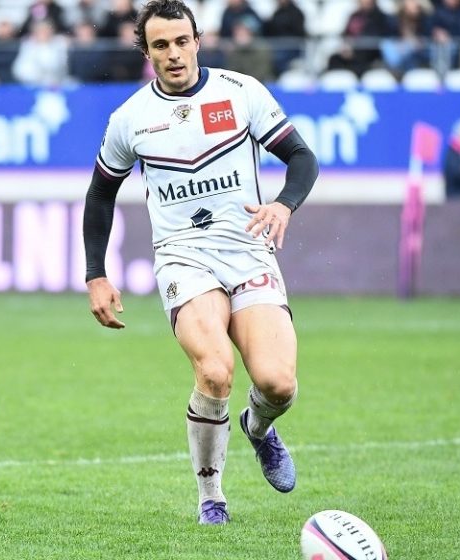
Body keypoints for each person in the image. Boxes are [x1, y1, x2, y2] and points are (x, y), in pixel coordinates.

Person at [82, 0, 319, 526]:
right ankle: (211, 498)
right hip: (183, 258)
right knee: (214, 371)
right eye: (160, 45)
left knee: (278, 383)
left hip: (248, 249)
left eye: (181, 41)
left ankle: (257, 429)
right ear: (146, 51)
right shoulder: (130, 119)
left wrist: (283, 204)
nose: (173, 54)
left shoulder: (241, 93)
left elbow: (303, 158)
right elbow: (100, 196)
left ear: (198, 39)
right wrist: (95, 274)